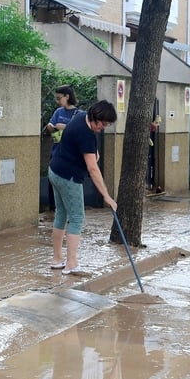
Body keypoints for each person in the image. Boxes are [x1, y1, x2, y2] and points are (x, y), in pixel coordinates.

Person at [48, 100, 118, 275]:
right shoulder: (86, 134)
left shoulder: (80, 116)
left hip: (55, 170)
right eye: (102, 124)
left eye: (107, 125)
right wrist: (107, 196)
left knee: (61, 214)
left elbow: (90, 154)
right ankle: (71, 264)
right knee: (77, 217)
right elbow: (93, 169)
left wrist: (94, 154)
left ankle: (57, 259)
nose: (103, 128)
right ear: (95, 117)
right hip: (68, 177)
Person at [45, 85, 80, 211]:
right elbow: (51, 123)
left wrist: (65, 127)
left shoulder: (79, 114)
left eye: (59, 98)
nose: (58, 101)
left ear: (67, 96)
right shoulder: (58, 112)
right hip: (56, 151)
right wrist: (51, 126)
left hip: (70, 154)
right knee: (53, 180)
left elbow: (80, 132)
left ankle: (69, 207)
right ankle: (53, 207)